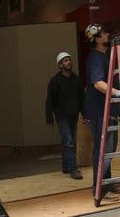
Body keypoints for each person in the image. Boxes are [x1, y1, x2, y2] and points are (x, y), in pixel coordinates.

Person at [83, 23, 120, 202]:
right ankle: (99, 189)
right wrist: (117, 92)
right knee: (103, 150)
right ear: (97, 39)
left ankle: (106, 182)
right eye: (105, 33)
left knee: (109, 149)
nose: (108, 35)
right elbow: (98, 84)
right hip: (99, 113)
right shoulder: (95, 58)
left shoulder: (104, 57)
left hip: (108, 112)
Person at [45, 52, 83, 180]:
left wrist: (85, 114)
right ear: (60, 65)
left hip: (73, 115)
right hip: (61, 117)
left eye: (69, 60)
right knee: (68, 141)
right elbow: (50, 100)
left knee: (69, 141)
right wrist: (49, 117)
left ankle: (66, 166)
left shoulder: (77, 80)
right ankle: (73, 169)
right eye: (65, 61)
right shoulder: (55, 81)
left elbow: (81, 99)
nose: (69, 62)